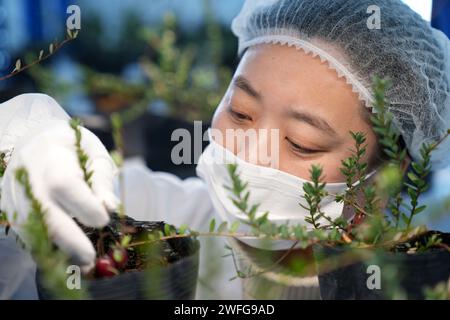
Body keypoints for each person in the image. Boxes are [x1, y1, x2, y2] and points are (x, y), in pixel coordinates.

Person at [1, 0, 449, 299]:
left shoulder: (408, 282)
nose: (252, 151)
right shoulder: (143, 216)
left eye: (301, 141)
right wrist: (20, 148)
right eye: (240, 111)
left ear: (382, 180)